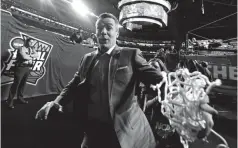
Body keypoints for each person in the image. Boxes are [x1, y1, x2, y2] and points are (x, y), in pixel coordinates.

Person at [35, 13, 218, 148]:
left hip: (125, 132)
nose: (104, 32)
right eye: (100, 29)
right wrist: (56, 101)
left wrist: (192, 103)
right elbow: (74, 84)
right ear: (96, 33)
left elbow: (159, 80)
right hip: (93, 131)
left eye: (108, 28)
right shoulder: (87, 58)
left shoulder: (130, 55)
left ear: (117, 33)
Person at [7, 38, 39, 109]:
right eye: (30, 42)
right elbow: (24, 57)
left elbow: (37, 55)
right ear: (26, 42)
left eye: (32, 43)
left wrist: (32, 52)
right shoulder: (21, 48)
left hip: (27, 68)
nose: (31, 44)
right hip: (20, 68)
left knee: (23, 84)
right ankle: (10, 101)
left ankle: (20, 98)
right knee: (16, 84)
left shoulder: (31, 49)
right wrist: (31, 56)